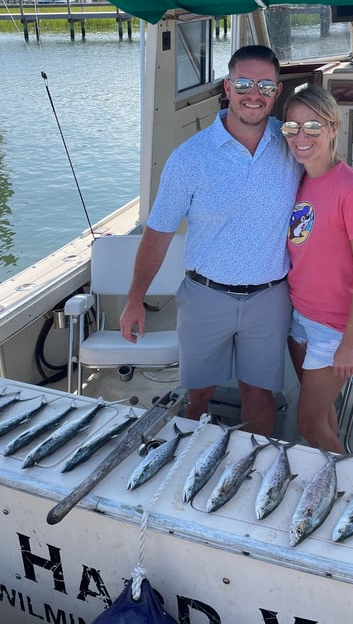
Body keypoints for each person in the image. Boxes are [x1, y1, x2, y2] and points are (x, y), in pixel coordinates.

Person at [119, 44, 302, 435]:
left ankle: (256, 471)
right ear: (227, 87)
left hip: (270, 296)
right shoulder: (189, 158)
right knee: (197, 394)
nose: (254, 94)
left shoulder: (293, 146)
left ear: (277, 92)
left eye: (266, 85)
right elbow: (157, 234)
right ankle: (188, 459)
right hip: (206, 295)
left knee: (260, 394)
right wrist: (135, 299)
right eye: (245, 83)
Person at [282, 85, 353, 454]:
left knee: (307, 422)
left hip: (333, 328)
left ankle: (352, 490)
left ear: (333, 128)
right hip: (299, 317)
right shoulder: (298, 181)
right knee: (322, 415)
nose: (301, 136)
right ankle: (332, 476)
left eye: (312, 126)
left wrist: (350, 345)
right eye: (291, 128)